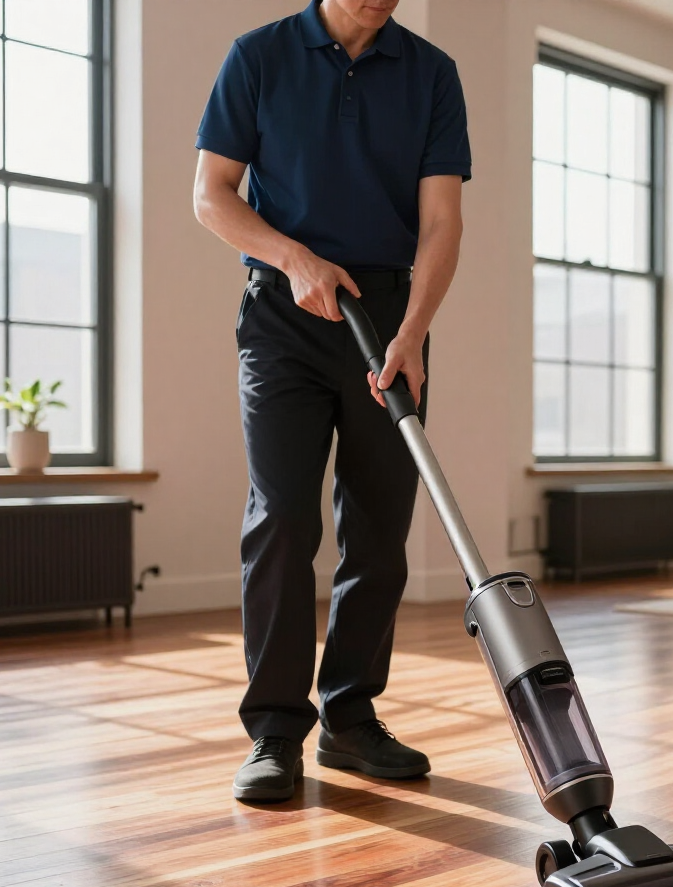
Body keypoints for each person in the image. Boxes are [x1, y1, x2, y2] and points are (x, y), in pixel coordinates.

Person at [193, 0, 470, 801]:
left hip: (389, 322)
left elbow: (443, 221)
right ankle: (276, 729)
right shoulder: (259, 57)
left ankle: (350, 718)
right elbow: (212, 194)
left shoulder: (430, 74)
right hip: (286, 315)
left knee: (381, 523)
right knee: (282, 515)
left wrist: (413, 332)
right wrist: (292, 258)